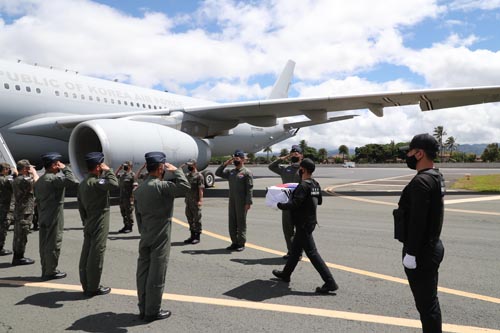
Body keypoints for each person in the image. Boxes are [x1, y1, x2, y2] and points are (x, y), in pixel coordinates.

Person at [395, 133, 445, 333]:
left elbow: (417, 222)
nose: (407, 155)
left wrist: (412, 253)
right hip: (433, 246)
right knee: (430, 303)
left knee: (427, 307)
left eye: (410, 151)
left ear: (419, 153)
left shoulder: (420, 183)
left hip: (421, 252)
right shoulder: (436, 176)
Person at [134, 152, 190, 321]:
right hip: (160, 234)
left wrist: (144, 231)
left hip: (145, 234)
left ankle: (143, 307)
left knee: (143, 271)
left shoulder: (140, 189)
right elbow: (185, 188)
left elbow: (138, 217)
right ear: (160, 168)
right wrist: (177, 171)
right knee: (157, 272)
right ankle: (152, 311)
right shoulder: (162, 186)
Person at [272, 158, 338, 294]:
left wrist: (279, 204)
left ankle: (330, 282)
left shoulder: (303, 186)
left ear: (304, 170)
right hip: (310, 222)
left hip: (302, 224)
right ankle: (286, 274)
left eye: (300, 169)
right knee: (295, 251)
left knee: (312, 253)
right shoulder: (314, 184)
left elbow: (294, 204)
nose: (299, 171)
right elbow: (319, 201)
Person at [77, 152, 119, 297]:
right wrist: (109, 170)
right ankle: (93, 287)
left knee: (86, 252)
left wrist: (85, 221)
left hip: (88, 220)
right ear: (97, 167)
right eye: (101, 165)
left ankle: (86, 283)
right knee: (96, 253)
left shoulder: (83, 183)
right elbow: (114, 184)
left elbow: (80, 206)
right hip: (99, 219)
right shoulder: (96, 182)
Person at [34, 152, 78, 280]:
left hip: (43, 214)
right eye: (57, 163)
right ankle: (50, 271)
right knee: (53, 243)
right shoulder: (53, 179)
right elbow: (72, 180)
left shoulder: (40, 181)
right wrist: (65, 168)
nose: (59, 165)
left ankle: (45, 268)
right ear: (53, 165)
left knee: (44, 243)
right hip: (54, 214)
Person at [268, 144, 302, 258]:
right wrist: (284, 157)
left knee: (299, 230)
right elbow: (271, 166)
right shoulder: (285, 169)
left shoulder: (303, 169)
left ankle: (298, 252)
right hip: (286, 203)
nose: (294, 154)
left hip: (299, 204)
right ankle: (291, 251)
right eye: (293, 152)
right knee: (287, 229)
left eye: (297, 153)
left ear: (301, 155)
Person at [215, 150, 253, 252]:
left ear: (242, 159)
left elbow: (249, 189)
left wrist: (248, 202)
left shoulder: (246, 172)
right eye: (234, 159)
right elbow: (218, 173)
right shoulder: (231, 172)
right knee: (232, 222)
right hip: (232, 201)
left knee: (241, 222)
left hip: (242, 201)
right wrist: (225, 164)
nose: (236, 160)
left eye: (237, 158)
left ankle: (241, 243)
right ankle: (234, 242)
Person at [11, 159, 39, 265]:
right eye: (28, 168)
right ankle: (18, 257)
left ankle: (18, 256)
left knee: (19, 234)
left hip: (21, 210)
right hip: (24, 212)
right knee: (21, 235)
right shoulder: (24, 180)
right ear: (24, 169)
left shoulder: (18, 179)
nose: (29, 170)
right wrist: (34, 172)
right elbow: (37, 182)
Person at [183, 159, 204, 245]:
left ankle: (197, 236)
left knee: (197, 219)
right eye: (188, 165)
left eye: (191, 165)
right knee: (189, 218)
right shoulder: (187, 175)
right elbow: (178, 173)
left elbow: (201, 189)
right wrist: (182, 166)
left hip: (195, 201)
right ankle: (192, 236)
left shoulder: (199, 176)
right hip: (188, 201)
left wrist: (200, 200)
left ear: (195, 165)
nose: (189, 167)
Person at [115, 161, 137, 233]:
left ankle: (130, 227)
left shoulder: (132, 175)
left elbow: (135, 186)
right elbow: (115, 175)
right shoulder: (122, 175)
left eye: (126, 166)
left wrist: (132, 196)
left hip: (128, 197)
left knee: (129, 212)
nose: (125, 167)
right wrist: (119, 168)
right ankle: (125, 225)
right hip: (122, 197)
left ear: (130, 166)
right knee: (123, 212)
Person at [0, 163, 16, 256]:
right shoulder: (5, 180)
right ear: (4, 169)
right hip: (5, 208)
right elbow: (15, 185)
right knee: (3, 228)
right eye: (8, 169)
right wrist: (15, 174)